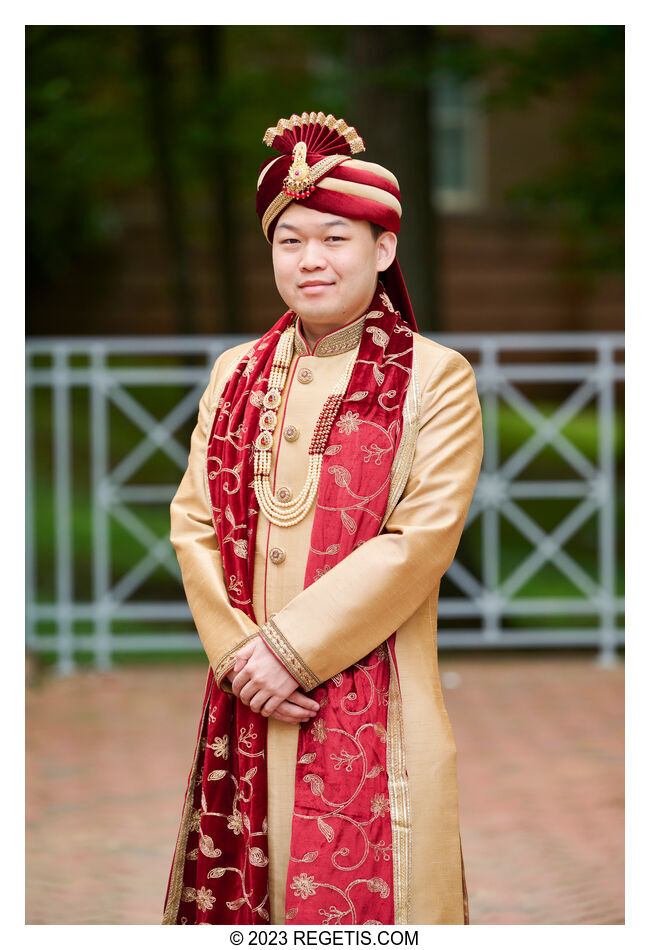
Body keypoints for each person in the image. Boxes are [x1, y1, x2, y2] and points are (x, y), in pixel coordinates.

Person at [162, 111, 483, 926]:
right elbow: (193, 522)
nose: (311, 259)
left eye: (336, 238)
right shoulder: (235, 373)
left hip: (377, 707)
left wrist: (289, 652)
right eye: (291, 240)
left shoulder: (435, 380)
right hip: (246, 702)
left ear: (383, 250)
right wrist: (242, 658)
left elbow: (420, 541)